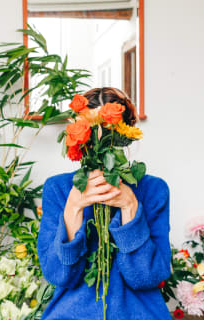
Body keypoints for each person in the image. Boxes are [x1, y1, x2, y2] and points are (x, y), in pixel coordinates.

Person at [37, 87, 172, 320]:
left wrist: (130, 207)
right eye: (92, 130)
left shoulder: (153, 190)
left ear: (125, 134)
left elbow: (146, 277)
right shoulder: (58, 189)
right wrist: (73, 208)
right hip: (70, 313)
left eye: (109, 130)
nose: (100, 139)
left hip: (139, 313)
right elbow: (58, 275)